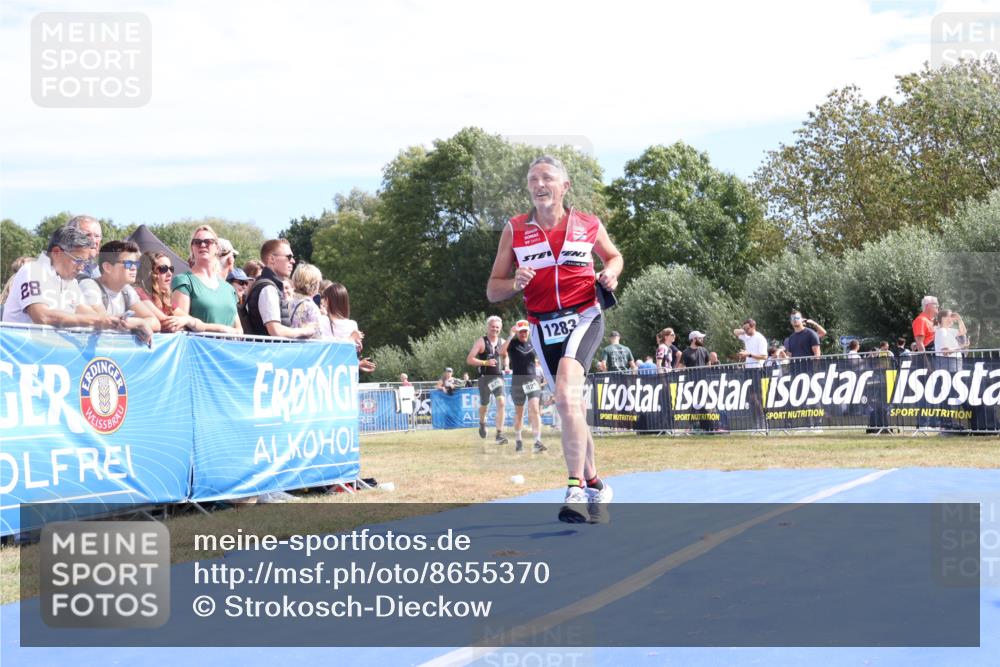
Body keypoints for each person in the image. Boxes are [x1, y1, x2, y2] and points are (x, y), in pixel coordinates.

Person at [486, 154, 622, 524]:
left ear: (565, 186)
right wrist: (514, 283)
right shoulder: (515, 230)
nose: (539, 185)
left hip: (583, 316)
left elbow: (614, 257)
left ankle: (575, 487)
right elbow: (493, 290)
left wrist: (610, 273)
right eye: (532, 180)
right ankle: (596, 483)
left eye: (547, 178)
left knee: (565, 393)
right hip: (543, 325)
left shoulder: (587, 224)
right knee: (569, 405)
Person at [2, 225, 123, 330]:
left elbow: (89, 313)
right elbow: (42, 317)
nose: (81, 267)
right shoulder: (32, 270)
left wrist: (117, 322)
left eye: (85, 262)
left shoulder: (70, 281)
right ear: (56, 252)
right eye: (78, 260)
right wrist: (96, 321)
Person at [79, 240, 159, 343]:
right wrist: (140, 323)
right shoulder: (89, 285)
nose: (134, 268)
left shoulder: (127, 290)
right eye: (129, 263)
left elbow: (155, 322)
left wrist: (138, 322)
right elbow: (105, 322)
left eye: (136, 264)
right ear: (107, 267)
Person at [170, 226, 243, 334]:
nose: (202, 245)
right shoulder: (184, 281)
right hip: (198, 349)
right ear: (192, 248)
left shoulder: (229, 289)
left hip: (228, 349)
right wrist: (221, 329)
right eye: (197, 242)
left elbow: (239, 331)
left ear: (217, 248)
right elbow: (181, 326)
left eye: (208, 242)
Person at [243, 239, 316, 338]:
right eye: (289, 257)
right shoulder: (268, 288)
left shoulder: (268, 286)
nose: (293, 261)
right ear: (272, 259)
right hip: (268, 351)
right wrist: (304, 331)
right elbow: (276, 331)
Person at [501, 319, 547, 453]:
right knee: (519, 413)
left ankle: (537, 442)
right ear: (517, 332)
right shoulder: (513, 344)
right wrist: (510, 335)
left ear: (528, 331)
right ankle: (518, 440)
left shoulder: (533, 343)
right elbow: (501, 352)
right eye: (521, 332)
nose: (523, 334)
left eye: (525, 331)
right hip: (518, 381)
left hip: (532, 380)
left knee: (535, 409)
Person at [467, 315, 509, 444]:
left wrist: (507, 365)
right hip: (484, 378)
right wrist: (485, 362)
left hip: (498, 377)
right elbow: (469, 359)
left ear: (500, 329)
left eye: (497, 327)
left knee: (501, 402)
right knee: (484, 405)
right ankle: (482, 422)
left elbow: (505, 356)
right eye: (492, 327)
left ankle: (499, 434)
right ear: (488, 327)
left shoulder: (502, 342)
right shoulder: (481, 341)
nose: (494, 329)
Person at [319, 281, 376, 373]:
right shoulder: (351, 324)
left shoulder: (323, 321)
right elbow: (335, 351)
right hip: (342, 375)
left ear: (327, 301)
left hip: (332, 374)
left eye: (324, 298)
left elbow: (330, 350)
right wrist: (350, 339)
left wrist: (358, 364)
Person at [136, 251, 175, 320]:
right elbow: (165, 322)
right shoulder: (139, 293)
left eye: (171, 269)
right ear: (150, 273)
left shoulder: (165, 297)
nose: (170, 274)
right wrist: (183, 322)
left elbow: (197, 322)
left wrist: (185, 321)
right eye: (163, 269)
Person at [288, 263, 323, 338]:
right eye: (318, 282)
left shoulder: (288, 303)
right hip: (306, 348)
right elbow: (318, 335)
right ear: (314, 284)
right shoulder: (311, 307)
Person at [65, 214, 103, 279]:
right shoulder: (61, 270)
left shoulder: (101, 272)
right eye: (88, 235)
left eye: (97, 236)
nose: (93, 240)